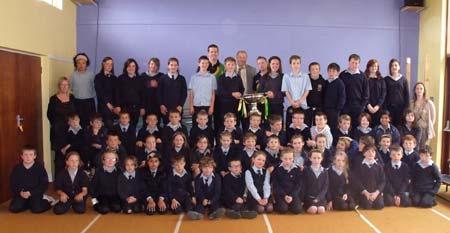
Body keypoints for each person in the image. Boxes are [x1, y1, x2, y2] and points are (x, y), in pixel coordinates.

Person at [47, 77, 76, 176]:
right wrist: (57, 124)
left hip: (70, 131)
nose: (64, 86)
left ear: (69, 86)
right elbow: (49, 115)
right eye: (62, 84)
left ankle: (70, 181)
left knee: (71, 155)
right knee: (59, 157)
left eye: (66, 84)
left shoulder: (72, 98)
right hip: (58, 132)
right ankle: (59, 182)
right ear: (59, 86)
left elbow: (76, 114)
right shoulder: (53, 99)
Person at [9, 145, 51, 213]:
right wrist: (20, 192)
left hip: (35, 193)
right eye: (25, 155)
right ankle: (29, 204)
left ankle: (46, 201)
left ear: (35, 156)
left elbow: (44, 184)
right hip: (22, 194)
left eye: (31, 155)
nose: (28, 157)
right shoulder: (17, 168)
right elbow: (13, 184)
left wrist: (31, 193)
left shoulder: (39, 168)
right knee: (14, 208)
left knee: (36, 209)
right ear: (22, 156)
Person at [339, 54, 369, 129]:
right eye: (352, 62)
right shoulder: (343, 75)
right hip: (345, 106)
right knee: (345, 126)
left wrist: (362, 106)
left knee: (356, 127)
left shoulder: (363, 76)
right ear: (349, 62)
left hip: (358, 106)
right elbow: (339, 92)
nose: (354, 65)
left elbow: (366, 93)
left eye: (356, 63)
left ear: (359, 64)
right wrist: (342, 105)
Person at [350, 145, 385, 210]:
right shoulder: (359, 166)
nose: (370, 153)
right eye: (368, 151)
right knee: (367, 205)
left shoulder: (379, 166)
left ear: (375, 154)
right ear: (364, 153)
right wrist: (365, 192)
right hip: (364, 193)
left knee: (379, 205)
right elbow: (356, 181)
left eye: (373, 151)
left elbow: (382, 181)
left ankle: (375, 199)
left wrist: (377, 193)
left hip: (375, 192)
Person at [282, 55, 312, 128]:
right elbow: (286, 91)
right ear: (290, 64)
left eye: (298, 63)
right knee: (291, 127)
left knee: (304, 127)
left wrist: (299, 101)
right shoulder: (286, 76)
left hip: (302, 105)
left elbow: (307, 90)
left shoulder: (305, 76)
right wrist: (292, 102)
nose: (296, 65)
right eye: (294, 63)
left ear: (300, 64)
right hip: (291, 104)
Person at [114, 58, 145, 128]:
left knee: (133, 127)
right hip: (124, 108)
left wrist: (142, 107)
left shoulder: (140, 79)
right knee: (123, 127)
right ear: (126, 68)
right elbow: (117, 93)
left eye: (133, 66)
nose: (131, 68)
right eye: (129, 66)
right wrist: (117, 105)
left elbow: (142, 95)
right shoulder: (120, 78)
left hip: (136, 109)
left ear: (136, 68)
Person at [272, 148, 303, 214]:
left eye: (290, 159)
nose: (288, 161)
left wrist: (292, 196)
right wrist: (284, 196)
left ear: (293, 158)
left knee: (297, 210)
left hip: (293, 194)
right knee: (282, 210)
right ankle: (280, 204)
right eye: (285, 159)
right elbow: (276, 185)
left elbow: (298, 185)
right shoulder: (277, 169)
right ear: (281, 158)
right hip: (281, 194)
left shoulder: (297, 169)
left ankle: (289, 204)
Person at [188, 55, 216, 127]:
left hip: (207, 105)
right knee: (195, 125)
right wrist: (191, 106)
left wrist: (211, 107)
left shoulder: (212, 77)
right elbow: (191, 93)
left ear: (208, 64)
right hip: (196, 105)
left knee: (208, 126)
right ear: (199, 64)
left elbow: (213, 93)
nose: (204, 65)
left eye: (206, 63)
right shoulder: (194, 77)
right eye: (203, 63)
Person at [158, 57, 187, 125]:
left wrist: (180, 105)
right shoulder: (162, 78)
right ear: (168, 66)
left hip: (178, 109)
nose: (173, 67)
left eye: (175, 65)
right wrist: (161, 105)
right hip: (166, 109)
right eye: (171, 65)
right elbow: (159, 93)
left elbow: (184, 93)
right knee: (167, 128)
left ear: (178, 66)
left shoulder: (182, 79)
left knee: (178, 128)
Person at [70, 53, 96, 128]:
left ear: (86, 64)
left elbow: (95, 87)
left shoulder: (91, 75)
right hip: (77, 103)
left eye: (83, 63)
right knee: (79, 125)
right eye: (79, 63)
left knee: (90, 124)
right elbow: (71, 89)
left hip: (89, 103)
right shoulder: (73, 75)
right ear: (76, 64)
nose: (81, 65)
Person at [217, 57, 245, 128]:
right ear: (225, 66)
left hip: (236, 105)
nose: (231, 66)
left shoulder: (238, 77)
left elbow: (242, 88)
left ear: (235, 66)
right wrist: (232, 94)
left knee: (236, 124)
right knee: (225, 125)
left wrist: (240, 93)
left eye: (232, 64)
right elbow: (220, 92)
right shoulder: (221, 78)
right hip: (225, 106)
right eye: (228, 64)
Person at [384, 58, 410, 127]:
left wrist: (406, 109)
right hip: (389, 109)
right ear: (390, 67)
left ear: (399, 67)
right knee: (389, 127)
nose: (394, 67)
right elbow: (384, 95)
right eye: (392, 65)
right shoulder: (386, 79)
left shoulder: (404, 80)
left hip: (401, 109)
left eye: (396, 65)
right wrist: (385, 109)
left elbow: (406, 95)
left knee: (399, 127)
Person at [411, 82, 436, 149]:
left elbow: (433, 117)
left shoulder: (429, 103)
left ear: (424, 90)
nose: (419, 90)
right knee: (414, 149)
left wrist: (429, 127)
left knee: (423, 149)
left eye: (421, 88)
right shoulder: (411, 103)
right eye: (417, 88)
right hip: (414, 130)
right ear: (415, 90)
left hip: (425, 130)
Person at [303, 149, 329, 214]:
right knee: (313, 209)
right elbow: (304, 186)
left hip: (320, 197)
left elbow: (325, 187)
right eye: (314, 158)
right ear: (310, 158)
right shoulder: (306, 170)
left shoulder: (325, 171)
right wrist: (303, 199)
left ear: (322, 159)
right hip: (309, 197)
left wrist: (319, 198)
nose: (316, 160)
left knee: (321, 210)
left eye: (318, 158)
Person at [94, 56, 117, 129]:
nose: (109, 66)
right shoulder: (98, 77)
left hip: (113, 107)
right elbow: (100, 92)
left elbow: (116, 93)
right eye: (107, 64)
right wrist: (108, 104)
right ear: (103, 64)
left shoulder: (114, 78)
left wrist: (116, 106)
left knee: (111, 128)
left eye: (111, 64)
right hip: (103, 106)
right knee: (104, 127)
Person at [323, 63, 346, 133]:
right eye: (329, 71)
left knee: (333, 128)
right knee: (325, 127)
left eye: (333, 71)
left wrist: (337, 110)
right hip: (325, 109)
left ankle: (333, 143)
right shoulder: (326, 82)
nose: (331, 73)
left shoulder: (340, 83)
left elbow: (342, 97)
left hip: (334, 111)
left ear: (337, 72)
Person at [141, 57, 164, 122]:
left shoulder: (162, 76)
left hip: (157, 106)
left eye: (156, 65)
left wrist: (158, 85)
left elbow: (164, 90)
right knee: (146, 124)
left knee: (157, 124)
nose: (153, 66)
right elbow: (140, 90)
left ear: (158, 67)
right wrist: (149, 84)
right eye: (152, 64)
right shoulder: (143, 76)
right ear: (148, 65)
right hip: (146, 105)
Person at [364, 59, 386, 127]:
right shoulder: (364, 78)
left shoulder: (381, 79)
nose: (374, 68)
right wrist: (368, 105)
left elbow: (383, 94)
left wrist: (378, 106)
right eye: (372, 66)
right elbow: (363, 93)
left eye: (376, 66)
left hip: (378, 109)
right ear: (368, 67)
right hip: (367, 108)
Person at [307, 62, 327, 127]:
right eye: (312, 69)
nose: (314, 71)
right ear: (309, 70)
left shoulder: (323, 82)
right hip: (307, 108)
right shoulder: (305, 80)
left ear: (319, 70)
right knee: (307, 125)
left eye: (316, 69)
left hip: (319, 109)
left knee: (318, 126)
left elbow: (325, 96)